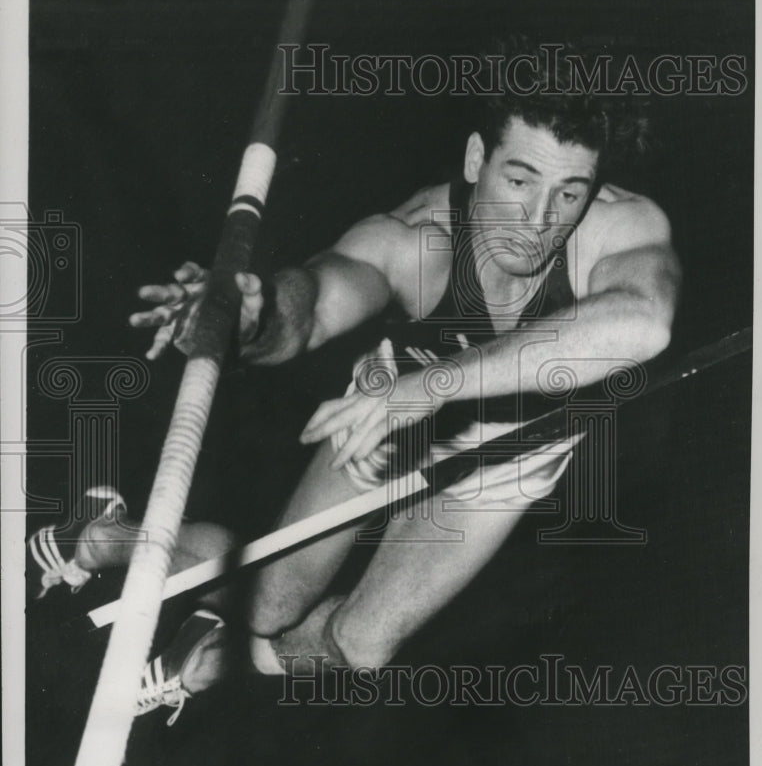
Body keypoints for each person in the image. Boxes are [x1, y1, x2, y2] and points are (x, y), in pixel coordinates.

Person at [28, 39, 681, 720]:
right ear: (475, 160)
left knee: (359, 647)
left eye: (569, 192)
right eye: (519, 181)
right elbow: (306, 312)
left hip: (511, 447)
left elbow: (643, 325)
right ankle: (102, 537)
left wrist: (428, 387)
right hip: (388, 414)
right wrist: (251, 319)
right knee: (275, 596)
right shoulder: (412, 237)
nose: (541, 219)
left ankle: (201, 666)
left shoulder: (623, 226)